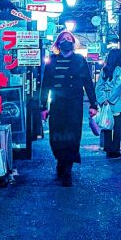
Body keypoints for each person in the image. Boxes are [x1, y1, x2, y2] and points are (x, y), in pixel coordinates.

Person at [39, 31, 98, 186]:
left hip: (74, 105)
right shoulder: (52, 60)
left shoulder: (80, 60)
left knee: (72, 136)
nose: (66, 41)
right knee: (56, 136)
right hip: (57, 104)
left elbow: (88, 83)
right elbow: (45, 85)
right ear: (58, 44)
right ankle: (60, 160)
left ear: (73, 43)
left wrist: (93, 105)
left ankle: (67, 171)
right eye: (63, 39)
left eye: (69, 39)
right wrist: (43, 107)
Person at [95, 48, 121, 158]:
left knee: (107, 124)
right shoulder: (120, 70)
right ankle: (115, 150)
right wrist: (111, 99)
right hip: (117, 103)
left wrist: (103, 99)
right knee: (117, 127)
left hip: (106, 103)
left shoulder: (104, 70)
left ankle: (108, 148)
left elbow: (99, 86)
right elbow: (118, 87)